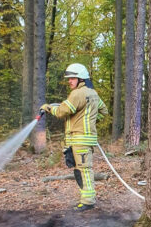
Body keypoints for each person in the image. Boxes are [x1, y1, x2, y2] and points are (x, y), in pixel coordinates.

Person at [40, 63, 107, 211]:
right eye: (69, 78)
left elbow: (61, 112)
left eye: (72, 78)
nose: (69, 81)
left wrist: (48, 107)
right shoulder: (93, 93)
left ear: (81, 78)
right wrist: (90, 121)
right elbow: (104, 111)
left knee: (84, 170)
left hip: (79, 140)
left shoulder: (77, 94)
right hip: (84, 140)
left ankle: (88, 201)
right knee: (81, 170)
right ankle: (86, 198)